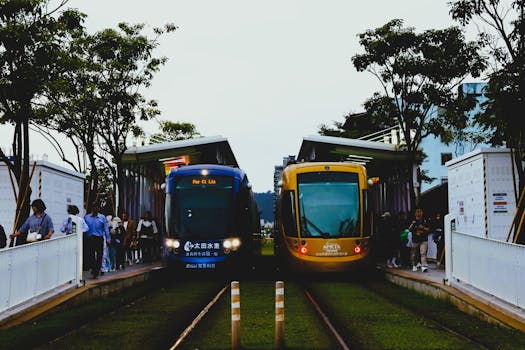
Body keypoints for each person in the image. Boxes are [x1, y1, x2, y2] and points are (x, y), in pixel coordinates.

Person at [84, 201, 110, 279]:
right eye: (93, 207)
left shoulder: (102, 217)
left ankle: (96, 270)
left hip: (99, 238)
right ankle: (94, 268)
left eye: (96, 207)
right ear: (92, 209)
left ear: (98, 209)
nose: (95, 209)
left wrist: (108, 239)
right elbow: (84, 227)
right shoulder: (87, 217)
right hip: (90, 238)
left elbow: (106, 229)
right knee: (90, 255)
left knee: (99, 255)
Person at [409, 206, 431, 272]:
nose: (419, 213)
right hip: (415, 239)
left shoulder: (425, 220)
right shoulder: (413, 220)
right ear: (415, 213)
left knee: (423, 253)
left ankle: (424, 266)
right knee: (415, 253)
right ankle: (414, 265)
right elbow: (409, 229)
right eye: (417, 212)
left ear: (422, 212)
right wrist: (412, 224)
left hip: (424, 239)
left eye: (420, 212)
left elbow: (429, 229)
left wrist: (423, 228)